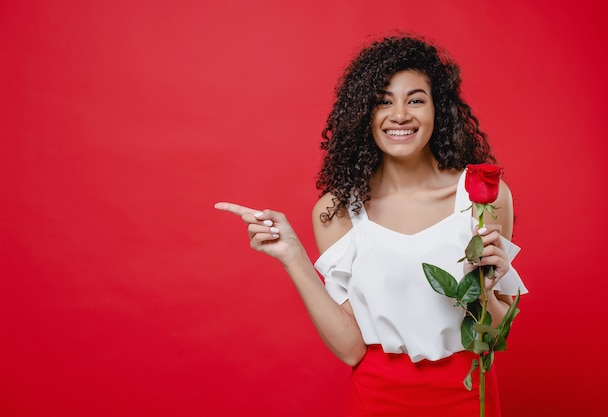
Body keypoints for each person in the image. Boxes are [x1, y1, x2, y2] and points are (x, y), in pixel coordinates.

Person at [215, 34, 527, 417]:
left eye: (415, 99)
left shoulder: (484, 198)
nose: (399, 114)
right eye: (383, 101)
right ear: (365, 113)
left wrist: (490, 286)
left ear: (438, 110)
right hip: (378, 400)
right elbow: (351, 347)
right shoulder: (337, 211)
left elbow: (493, 336)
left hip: (467, 396)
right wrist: (293, 256)